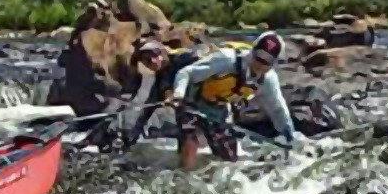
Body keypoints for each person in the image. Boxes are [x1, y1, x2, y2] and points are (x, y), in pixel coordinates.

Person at [127, 31, 296, 170]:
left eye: (266, 62)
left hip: (219, 110)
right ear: (253, 50)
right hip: (191, 103)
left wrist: (288, 134)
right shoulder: (226, 59)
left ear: (274, 63)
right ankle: (186, 178)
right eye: (258, 57)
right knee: (190, 142)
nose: (260, 64)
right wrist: (178, 94)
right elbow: (186, 73)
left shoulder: (269, 80)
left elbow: (277, 109)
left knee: (230, 160)